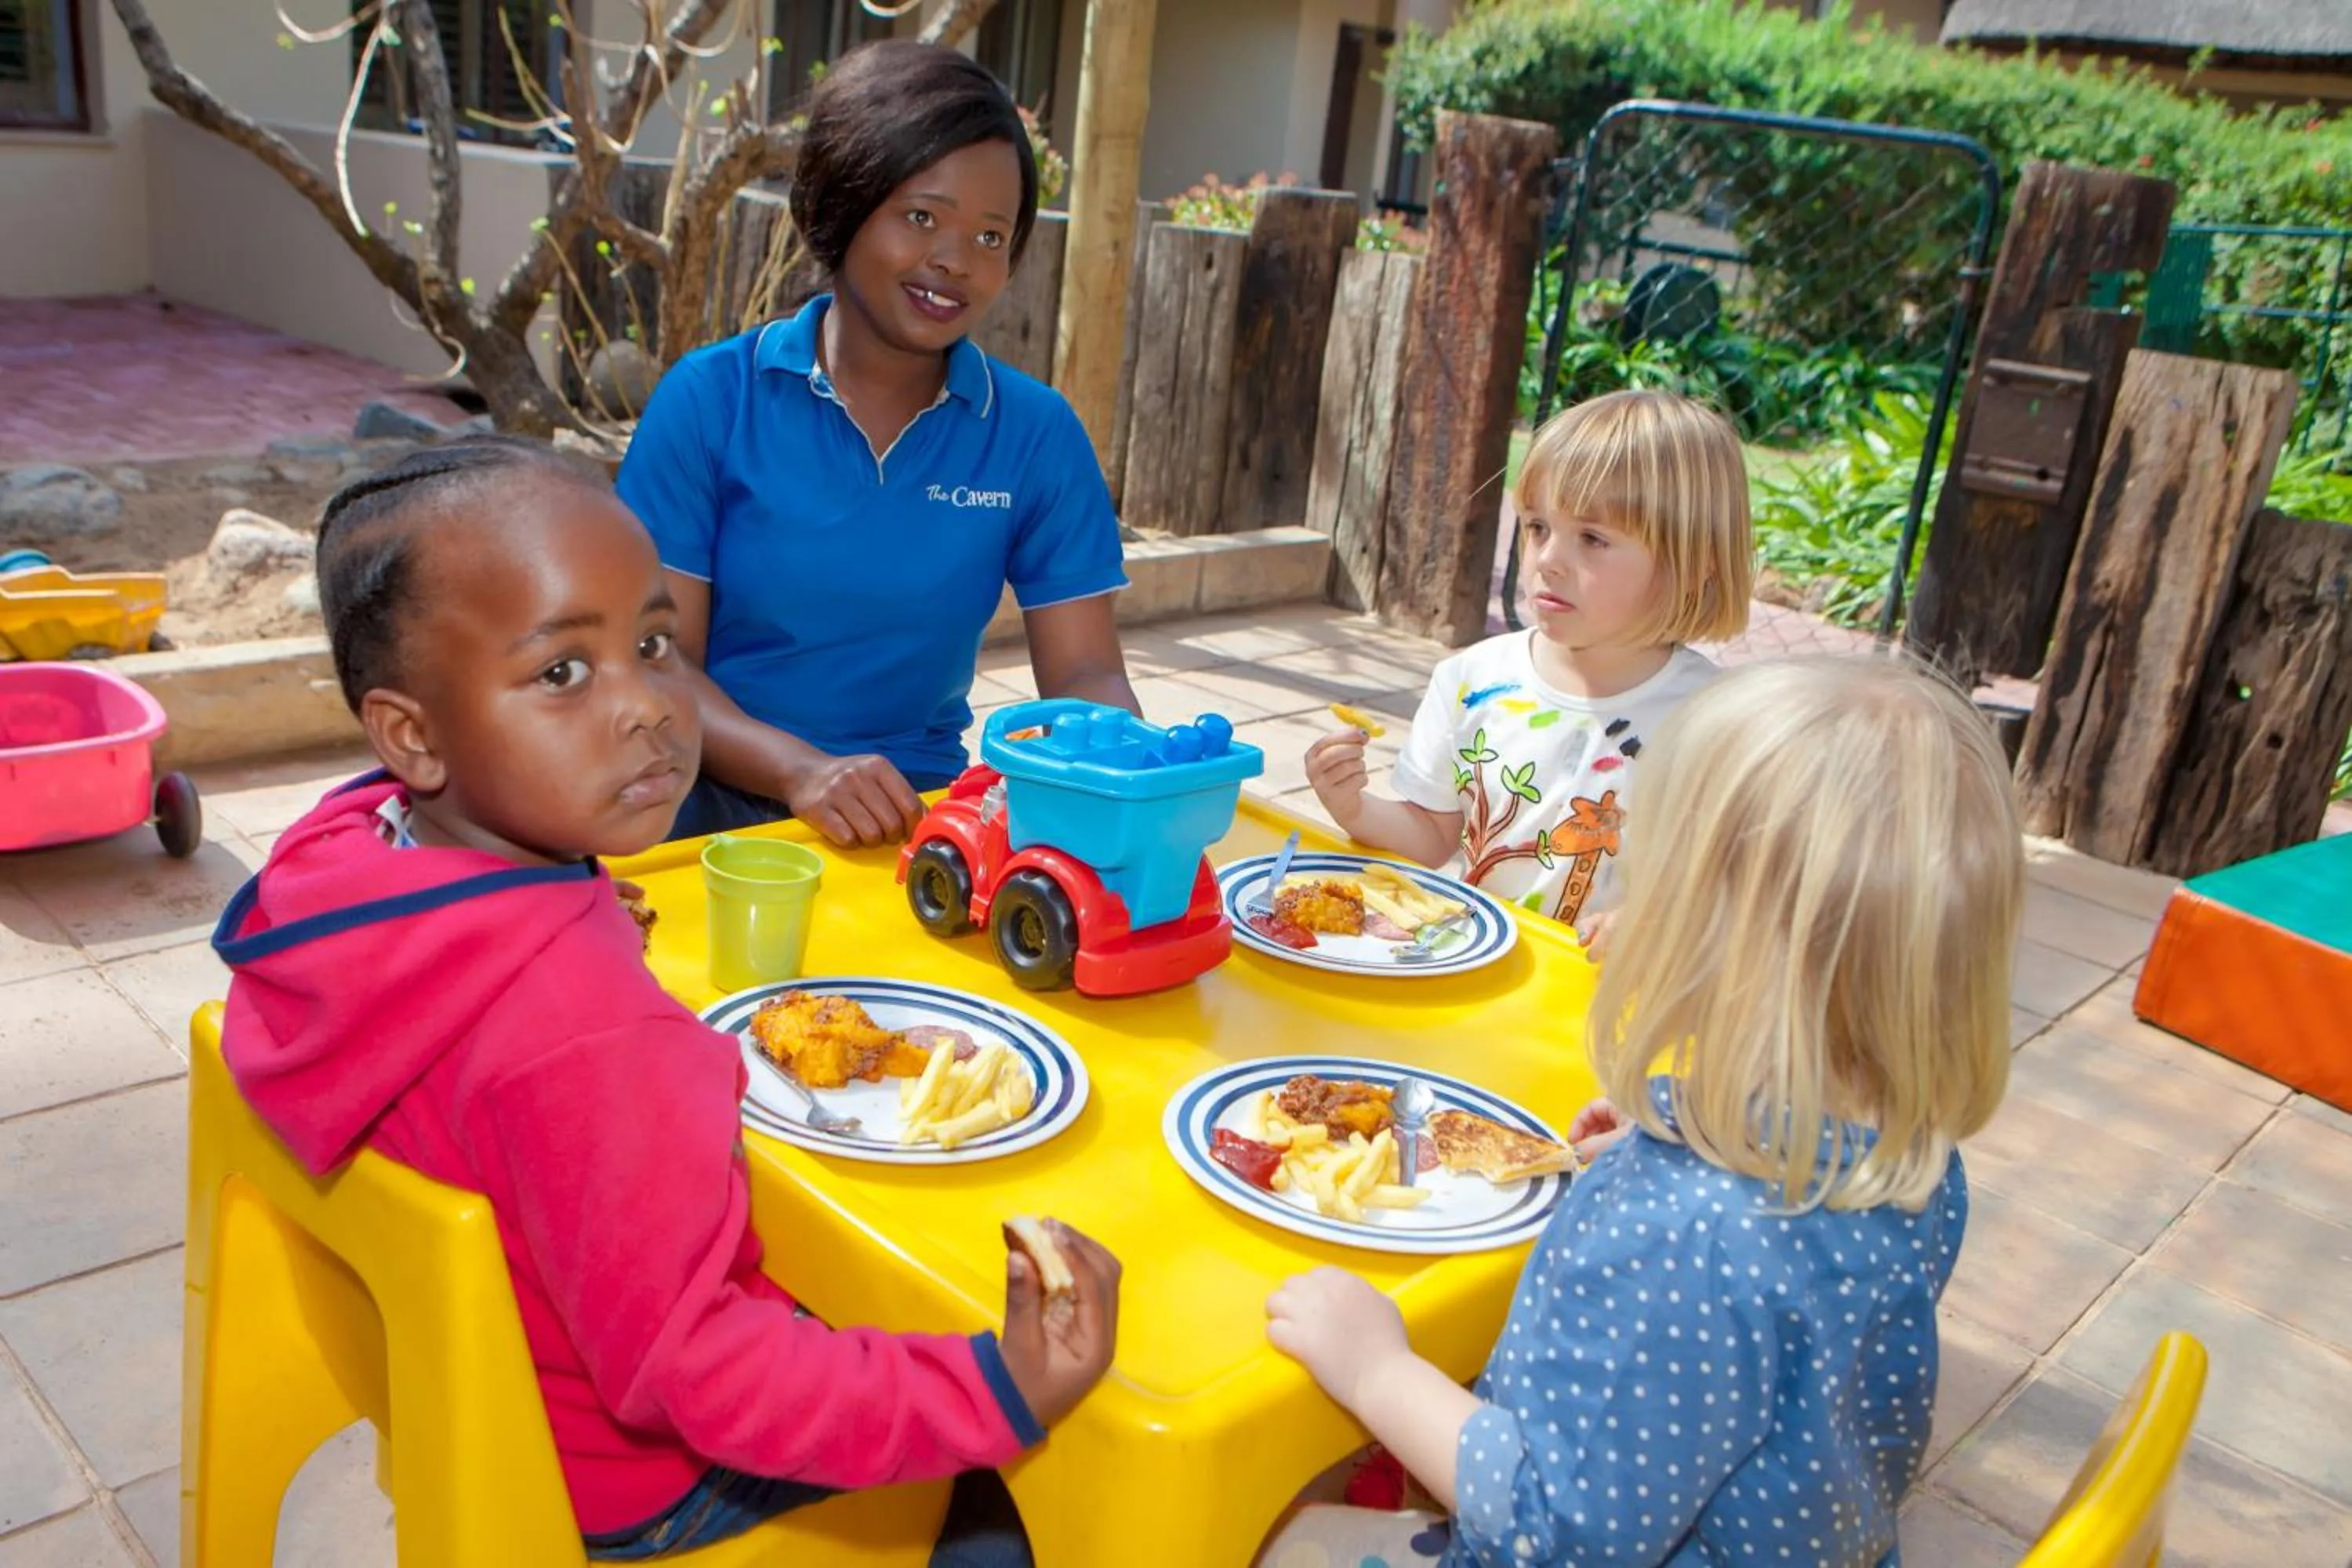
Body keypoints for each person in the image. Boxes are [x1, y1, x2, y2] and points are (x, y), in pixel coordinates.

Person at [211, 438, 1120, 1563]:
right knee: (1044, 1480)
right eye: (561, 673)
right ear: (413, 733)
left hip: (469, 1392)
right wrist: (999, 1387)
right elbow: (695, 1372)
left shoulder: (340, 871)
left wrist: (566, 916)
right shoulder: (582, 1028)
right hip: (640, 1487)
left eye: (651, 644)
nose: (648, 706)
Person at [1261, 655, 2024, 1566]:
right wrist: (1682, 1138)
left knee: (1264, 1542)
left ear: (1705, 939)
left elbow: (1556, 1526)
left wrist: (1377, 1368)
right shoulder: (1915, 1158)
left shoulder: (1690, 1231)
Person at [619, 40, 1138, 850]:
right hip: (704, 812)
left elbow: (1083, 675)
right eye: (922, 216)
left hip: (917, 815)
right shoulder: (710, 401)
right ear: (843, 205)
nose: (954, 261)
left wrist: (1127, 771)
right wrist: (801, 772)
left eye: (992, 236)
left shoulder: (1034, 435)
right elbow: (657, 662)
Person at [1305, 390, 1752, 940]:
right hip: (1480, 970)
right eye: (1538, 527)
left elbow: (1731, 894)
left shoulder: (1715, 723)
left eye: (1593, 539)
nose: (1548, 561)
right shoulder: (1473, 682)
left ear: (1693, 562)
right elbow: (1431, 836)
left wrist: (1651, 928)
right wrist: (1355, 809)